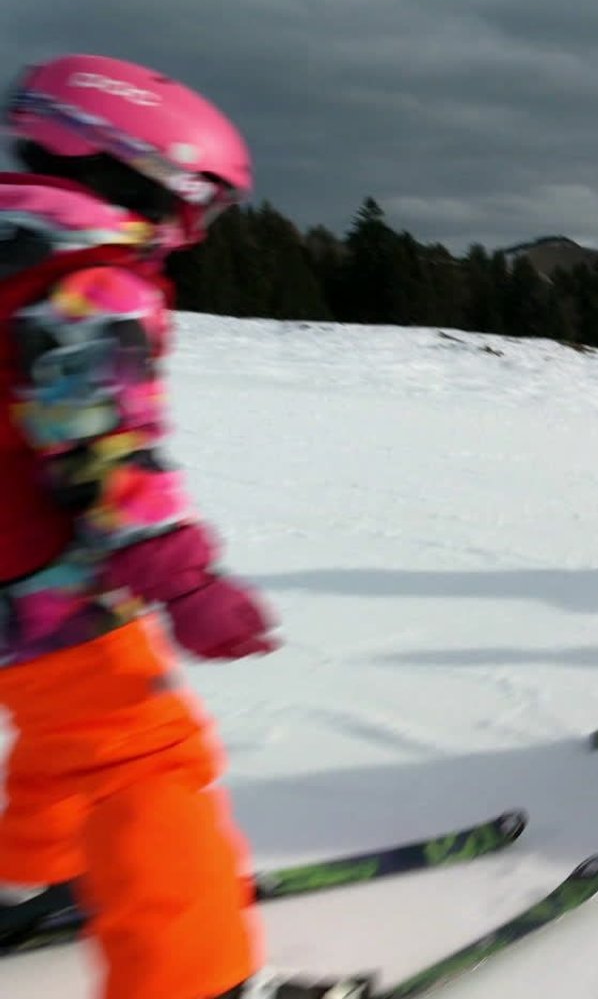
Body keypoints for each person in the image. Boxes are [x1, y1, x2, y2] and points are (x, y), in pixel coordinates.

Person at [0, 56, 365, 998]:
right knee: (149, 761)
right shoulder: (91, 284)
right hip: (38, 578)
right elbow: (104, 455)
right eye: (198, 197)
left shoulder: (20, 251)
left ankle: (27, 878)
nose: (197, 225)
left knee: (76, 731)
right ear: (135, 170)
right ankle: (193, 981)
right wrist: (188, 582)